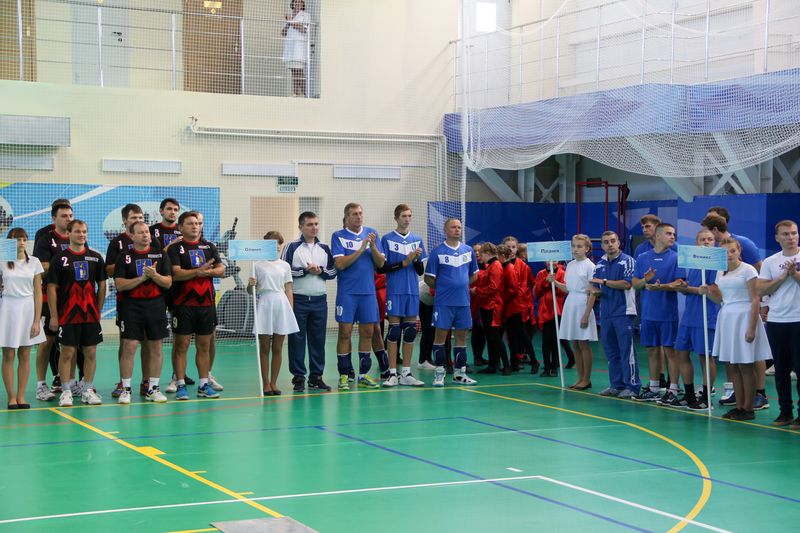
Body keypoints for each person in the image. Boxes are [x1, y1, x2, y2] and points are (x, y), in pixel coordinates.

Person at [706, 237, 772, 421]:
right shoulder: (720, 272)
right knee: (733, 365)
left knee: (745, 365)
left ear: (739, 251)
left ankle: (748, 409)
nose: (729, 255)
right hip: (727, 318)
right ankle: (739, 406)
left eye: (732, 251)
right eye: (724, 252)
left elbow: (755, 298)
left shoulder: (748, 270)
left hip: (744, 318)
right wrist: (708, 293)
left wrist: (752, 328)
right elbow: (721, 300)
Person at [47, 220, 107, 407]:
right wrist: (54, 316)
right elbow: (51, 288)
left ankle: (87, 390)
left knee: (91, 352)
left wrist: (98, 309)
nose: (82, 235)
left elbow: (102, 285)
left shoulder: (96, 258)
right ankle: (66, 391)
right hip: (67, 315)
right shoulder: (60, 259)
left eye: (84, 232)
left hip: (90, 315)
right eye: (78, 231)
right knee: (67, 353)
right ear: (69, 233)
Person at [167, 211, 224, 400]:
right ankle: (181, 385)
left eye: (197, 223)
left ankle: (203, 385)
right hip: (183, 305)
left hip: (206, 305)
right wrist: (197, 272)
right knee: (181, 345)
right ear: (180, 227)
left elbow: (221, 269)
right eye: (190, 223)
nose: (195, 226)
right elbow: (176, 274)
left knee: (204, 346)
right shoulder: (175, 249)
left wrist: (209, 273)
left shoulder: (209, 246)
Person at [113, 221, 172, 404]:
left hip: (156, 306)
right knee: (129, 346)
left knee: (156, 347)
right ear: (132, 236)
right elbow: (120, 284)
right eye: (141, 233)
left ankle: (153, 389)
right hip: (131, 306)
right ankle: (126, 390)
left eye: (147, 232)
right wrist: (142, 278)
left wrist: (154, 275)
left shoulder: (160, 255)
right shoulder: (124, 256)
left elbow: (168, 282)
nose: (146, 235)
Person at [331, 203, 385, 391]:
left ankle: (363, 374)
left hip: (368, 293)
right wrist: (361, 249)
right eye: (354, 214)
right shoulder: (338, 236)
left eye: (361, 213)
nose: (359, 217)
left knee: (368, 332)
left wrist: (373, 247)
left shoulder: (372, 233)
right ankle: (344, 375)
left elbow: (380, 264)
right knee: (345, 332)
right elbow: (340, 264)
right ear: (347, 217)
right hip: (347, 293)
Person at [107, 204, 159, 399]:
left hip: (151, 301)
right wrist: (129, 263)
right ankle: (124, 383)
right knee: (127, 342)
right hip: (127, 301)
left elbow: (160, 265)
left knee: (148, 342)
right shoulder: (117, 243)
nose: (138, 221)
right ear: (125, 221)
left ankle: (147, 382)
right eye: (134, 218)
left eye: (140, 218)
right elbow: (109, 269)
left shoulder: (152, 241)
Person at [282, 211, 336, 393]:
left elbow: (333, 272)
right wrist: (305, 270)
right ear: (301, 227)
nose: (314, 228)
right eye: (310, 224)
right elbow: (284, 271)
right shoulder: (291, 247)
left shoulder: (325, 248)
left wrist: (320, 271)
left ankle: (316, 377)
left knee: (318, 340)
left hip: (320, 301)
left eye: (316, 224)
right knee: (296, 340)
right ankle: (298, 377)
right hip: (299, 300)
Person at [632, 223, 685, 404]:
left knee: (671, 352)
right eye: (669, 234)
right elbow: (635, 284)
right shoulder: (642, 257)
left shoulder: (676, 257)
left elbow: (679, 282)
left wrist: (661, 287)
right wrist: (645, 280)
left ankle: (673, 390)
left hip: (668, 315)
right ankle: (654, 388)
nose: (672, 237)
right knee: (652, 351)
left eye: (674, 234)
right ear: (658, 236)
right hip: (648, 314)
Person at [424, 218, 479, 387]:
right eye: (453, 227)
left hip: (463, 302)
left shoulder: (468, 250)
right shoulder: (437, 252)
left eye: (459, 227)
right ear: (445, 230)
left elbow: (474, 275)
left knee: (461, 337)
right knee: (440, 337)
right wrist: (444, 288)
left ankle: (459, 374)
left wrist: (460, 286)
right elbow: (428, 278)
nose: (457, 230)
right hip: (444, 303)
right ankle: (439, 374)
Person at [757, 220, 800, 428]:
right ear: (777, 238)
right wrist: (783, 277)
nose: (790, 237)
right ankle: (785, 412)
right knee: (781, 370)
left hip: (798, 320)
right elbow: (761, 290)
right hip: (776, 321)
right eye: (785, 234)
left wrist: (795, 275)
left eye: (793, 233)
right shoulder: (770, 262)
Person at [380, 204, 426, 387]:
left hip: (412, 291)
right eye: (404, 216)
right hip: (395, 290)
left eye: (409, 216)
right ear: (396, 218)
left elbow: (420, 270)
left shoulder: (417, 239)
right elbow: (382, 267)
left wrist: (415, 259)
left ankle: (406, 373)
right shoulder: (387, 239)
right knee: (394, 331)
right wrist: (404, 261)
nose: (407, 219)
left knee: (410, 331)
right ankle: (392, 373)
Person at [674, 229, 720, 410]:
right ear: (696, 242)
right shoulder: (693, 263)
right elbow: (693, 289)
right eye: (702, 239)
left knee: (705, 356)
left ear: (714, 243)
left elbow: (710, 290)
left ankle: (707, 398)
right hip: (689, 316)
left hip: (706, 316)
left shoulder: (716, 265)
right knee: (681, 352)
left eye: (710, 239)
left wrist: (690, 289)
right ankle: (689, 395)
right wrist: (684, 287)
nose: (706, 242)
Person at [248, 231, 299, 396]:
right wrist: (250, 285)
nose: (276, 246)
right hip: (265, 304)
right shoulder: (257, 265)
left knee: (278, 347)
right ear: (265, 245)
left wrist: (290, 310)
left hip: (281, 304)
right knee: (264, 347)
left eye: (278, 243)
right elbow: (250, 291)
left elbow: (289, 288)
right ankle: (265, 383)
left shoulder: (285, 265)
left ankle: (274, 383)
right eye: (272, 243)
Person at [590, 231, 640, 399]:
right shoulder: (599, 264)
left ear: (619, 243)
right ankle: (616, 385)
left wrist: (603, 282)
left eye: (613, 241)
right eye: (606, 242)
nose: (610, 244)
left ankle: (632, 386)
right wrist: (593, 290)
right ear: (602, 245)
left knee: (627, 351)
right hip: (606, 314)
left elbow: (626, 284)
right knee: (611, 352)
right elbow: (595, 286)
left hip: (624, 312)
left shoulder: (628, 261)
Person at [32, 202, 74, 400]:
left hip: (71, 299)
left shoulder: (76, 237)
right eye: (64, 216)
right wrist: (62, 262)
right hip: (49, 297)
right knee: (46, 341)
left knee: (70, 343)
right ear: (54, 219)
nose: (68, 219)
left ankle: (68, 382)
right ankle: (41, 385)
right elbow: (40, 267)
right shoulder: (46, 239)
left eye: (70, 215)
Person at [0, 228, 46, 409]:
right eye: (17, 239)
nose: (21, 242)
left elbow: (38, 293)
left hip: (28, 309)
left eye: (24, 239)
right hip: (7, 308)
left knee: (25, 354)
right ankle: (11, 397)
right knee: (8, 354)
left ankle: (21, 396)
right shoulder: (2, 261)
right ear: (9, 242)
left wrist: (36, 321)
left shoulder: (34, 262)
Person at [552, 235, 597, 390]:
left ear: (587, 249)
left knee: (583, 342)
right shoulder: (570, 265)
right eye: (573, 246)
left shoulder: (590, 266)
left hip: (583, 304)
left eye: (579, 246)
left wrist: (586, 314)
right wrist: (555, 282)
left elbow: (592, 292)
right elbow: (569, 288)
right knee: (575, 343)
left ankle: (586, 379)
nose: (575, 249)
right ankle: (580, 378)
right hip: (570, 303)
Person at [502, 236, 539, 372]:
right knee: (511, 335)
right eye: (508, 247)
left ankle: (533, 361)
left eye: (513, 247)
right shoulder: (502, 264)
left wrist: (527, 299)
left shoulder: (523, 266)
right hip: (507, 304)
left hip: (519, 304)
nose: (511, 249)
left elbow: (532, 284)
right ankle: (514, 362)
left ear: (517, 249)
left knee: (522, 333)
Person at [473, 243, 510, 375]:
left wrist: (478, 291)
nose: (480, 257)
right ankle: (493, 365)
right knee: (490, 336)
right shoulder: (492, 265)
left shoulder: (495, 266)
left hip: (492, 306)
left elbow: (493, 287)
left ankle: (506, 365)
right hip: (487, 305)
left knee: (494, 336)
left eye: (481, 254)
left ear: (487, 253)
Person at [534, 260, 567, 377]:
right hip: (544, 311)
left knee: (555, 341)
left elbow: (562, 292)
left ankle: (554, 367)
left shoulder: (562, 273)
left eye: (554, 260)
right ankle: (546, 367)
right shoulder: (541, 273)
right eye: (548, 260)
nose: (551, 262)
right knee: (546, 341)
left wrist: (554, 282)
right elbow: (537, 292)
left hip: (556, 310)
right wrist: (545, 281)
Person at [281, 0, 311, 97]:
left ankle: (306, 94)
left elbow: (304, 29)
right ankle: (296, 93)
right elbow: (283, 33)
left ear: (302, 4)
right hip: (290, 48)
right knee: (293, 71)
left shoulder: (305, 15)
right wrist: (288, 23)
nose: (297, 3)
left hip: (299, 49)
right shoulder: (289, 16)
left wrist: (291, 21)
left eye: (300, 2)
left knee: (299, 71)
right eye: (296, 2)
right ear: (292, 4)